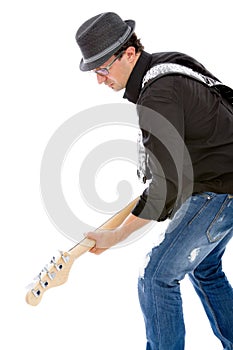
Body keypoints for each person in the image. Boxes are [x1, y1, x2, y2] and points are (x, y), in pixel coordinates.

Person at [75, 12, 233, 350]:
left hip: (219, 191)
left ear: (129, 53)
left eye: (103, 68)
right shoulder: (168, 66)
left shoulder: (157, 95)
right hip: (220, 183)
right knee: (205, 270)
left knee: (156, 276)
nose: (100, 80)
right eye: (95, 71)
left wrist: (116, 235)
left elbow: (166, 188)